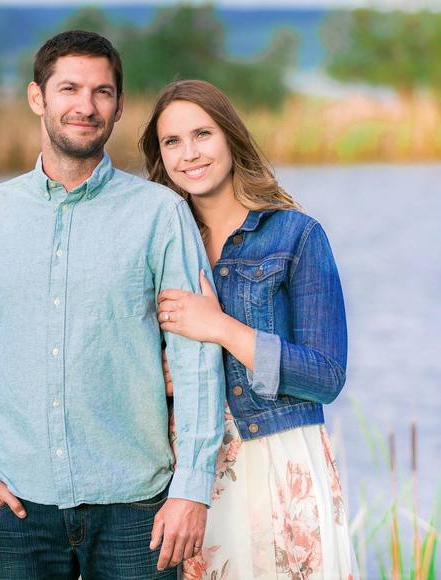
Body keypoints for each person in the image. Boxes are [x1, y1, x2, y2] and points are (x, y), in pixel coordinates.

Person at [0, 32, 225, 579]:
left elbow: (196, 357)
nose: (85, 106)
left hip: (138, 507)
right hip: (17, 506)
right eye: (69, 88)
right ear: (37, 97)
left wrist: (192, 488)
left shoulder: (160, 214)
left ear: (119, 105)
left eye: (102, 92)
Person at [140, 79, 358, 579]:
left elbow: (326, 377)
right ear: (160, 155)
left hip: (276, 460)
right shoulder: (158, 247)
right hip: (186, 472)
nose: (189, 154)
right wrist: (160, 378)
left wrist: (220, 328)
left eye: (202, 134)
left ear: (230, 137)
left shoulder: (296, 234)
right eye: (172, 141)